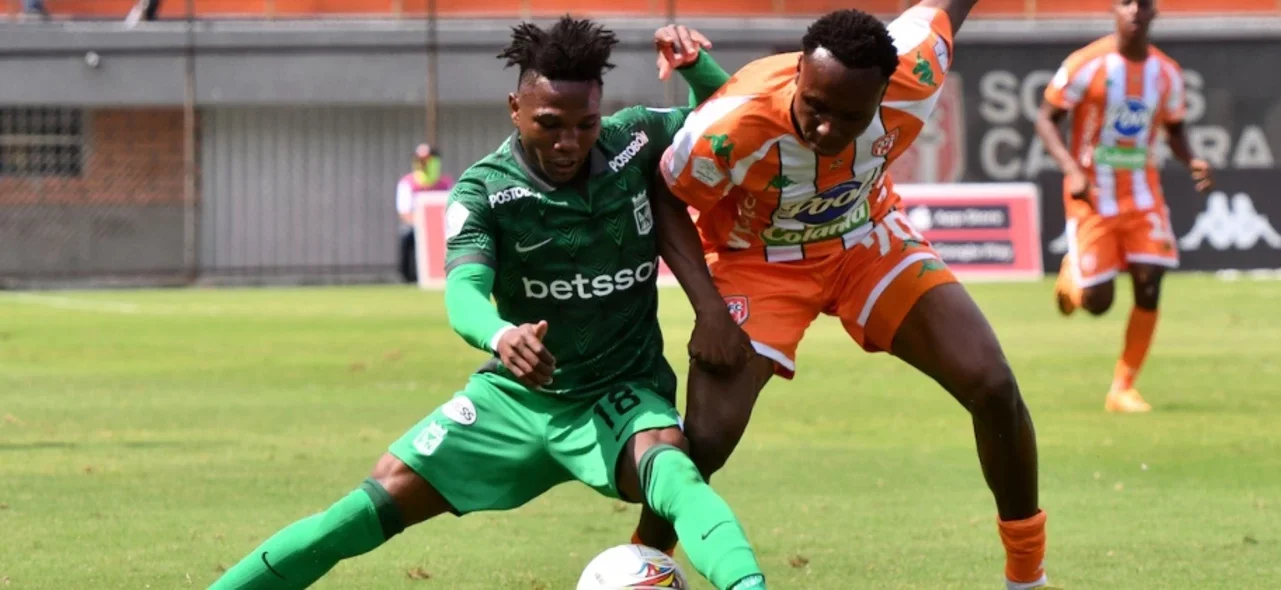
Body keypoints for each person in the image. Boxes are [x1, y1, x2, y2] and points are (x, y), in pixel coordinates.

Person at [208, 16, 769, 590]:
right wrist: (501, 335)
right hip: (515, 399)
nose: (569, 142)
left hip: (618, 394)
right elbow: (463, 293)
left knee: (674, 470)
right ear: (514, 107)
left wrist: (694, 65)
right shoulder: (485, 191)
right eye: (550, 124)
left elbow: (728, 125)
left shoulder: (633, 141)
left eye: (585, 123)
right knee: (365, 508)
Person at [633, 3, 1053, 588]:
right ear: (800, 72)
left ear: (886, 90)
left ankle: (1027, 578)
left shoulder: (917, 70)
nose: (827, 130)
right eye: (815, 108)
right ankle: (637, 570)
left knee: (993, 383)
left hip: (866, 241)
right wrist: (709, 312)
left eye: (851, 116)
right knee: (707, 438)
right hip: (759, 263)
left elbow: (946, 10)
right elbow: (666, 195)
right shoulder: (731, 124)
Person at [1036, 0, 1212, 413]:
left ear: (1154, 14)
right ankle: (1074, 277)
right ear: (1114, 11)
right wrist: (1071, 170)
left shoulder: (1166, 73)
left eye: (1143, 5)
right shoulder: (1087, 64)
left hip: (1143, 193)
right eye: (1126, 3)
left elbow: (1174, 129)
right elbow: (1046, 118)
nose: (1135, 11)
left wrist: (1192, 160)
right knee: (1098, 303)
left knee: (1150, 282)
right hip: (1092, 193)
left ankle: (1122, 388)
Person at [396, 143, 455, 283]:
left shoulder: (447, 184)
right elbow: (404, 212)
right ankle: (407, 277)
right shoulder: (407, 183)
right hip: (416, 225)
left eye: (428, 160)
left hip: (444, 227)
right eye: (420, 160)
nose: (424, 164)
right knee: (405, 235)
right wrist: (423, 226)